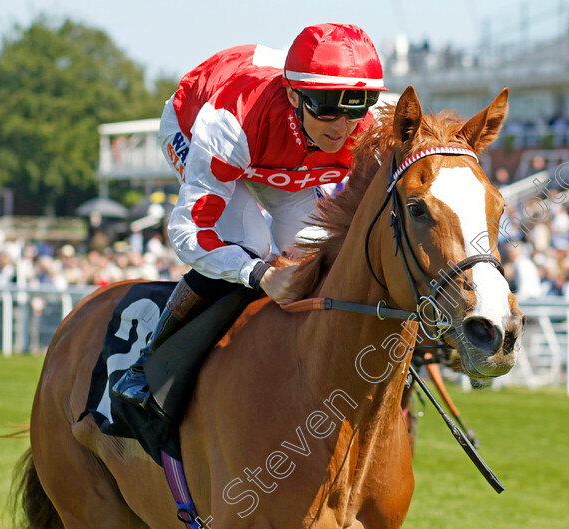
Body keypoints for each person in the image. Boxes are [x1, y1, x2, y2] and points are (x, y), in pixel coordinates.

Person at [111, 23, 387, 416]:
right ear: (294, 94)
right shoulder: (229, 123)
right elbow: (190, 232)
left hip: (281, 154)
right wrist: (259, 275)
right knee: (248, 244)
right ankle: (147, 365)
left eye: (357, 105)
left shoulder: (364, 134)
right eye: (326, 107)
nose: (341, 127)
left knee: (311, 249)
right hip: (197, 122)